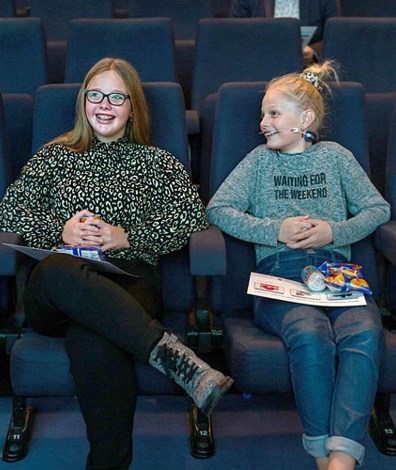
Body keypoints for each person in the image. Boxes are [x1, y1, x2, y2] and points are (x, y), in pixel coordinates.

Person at [0, 57, 233, 469]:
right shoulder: (55, 156)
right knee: (56, 268)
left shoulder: (156, 162)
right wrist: (62, 231)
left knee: (95, 338)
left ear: (132, 106)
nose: (103, 105)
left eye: (116, 96)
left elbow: (191, 216)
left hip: (129, 282)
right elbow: (10, 212)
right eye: (94, 95)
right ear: (83, 101)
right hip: (55, 288)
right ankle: (172, 356)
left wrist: (129, 236)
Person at [206, 61, 391, 469]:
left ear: (305, 119)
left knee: (362, 333)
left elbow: (377, 208)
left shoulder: (336, 157)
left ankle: (341, 458)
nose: (263, 122)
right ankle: (323, 454)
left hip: (335, 271)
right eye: (262, 114)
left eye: (274, 113)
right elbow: (218, 210)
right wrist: (276, 229)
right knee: (310, 334)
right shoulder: (258, 162)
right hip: (280, 273)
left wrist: (334, 232)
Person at [229, 0, 340, 63]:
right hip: (258, 64)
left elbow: (336, 36)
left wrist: (314, 52)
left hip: (308, 69)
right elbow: (235, 35)